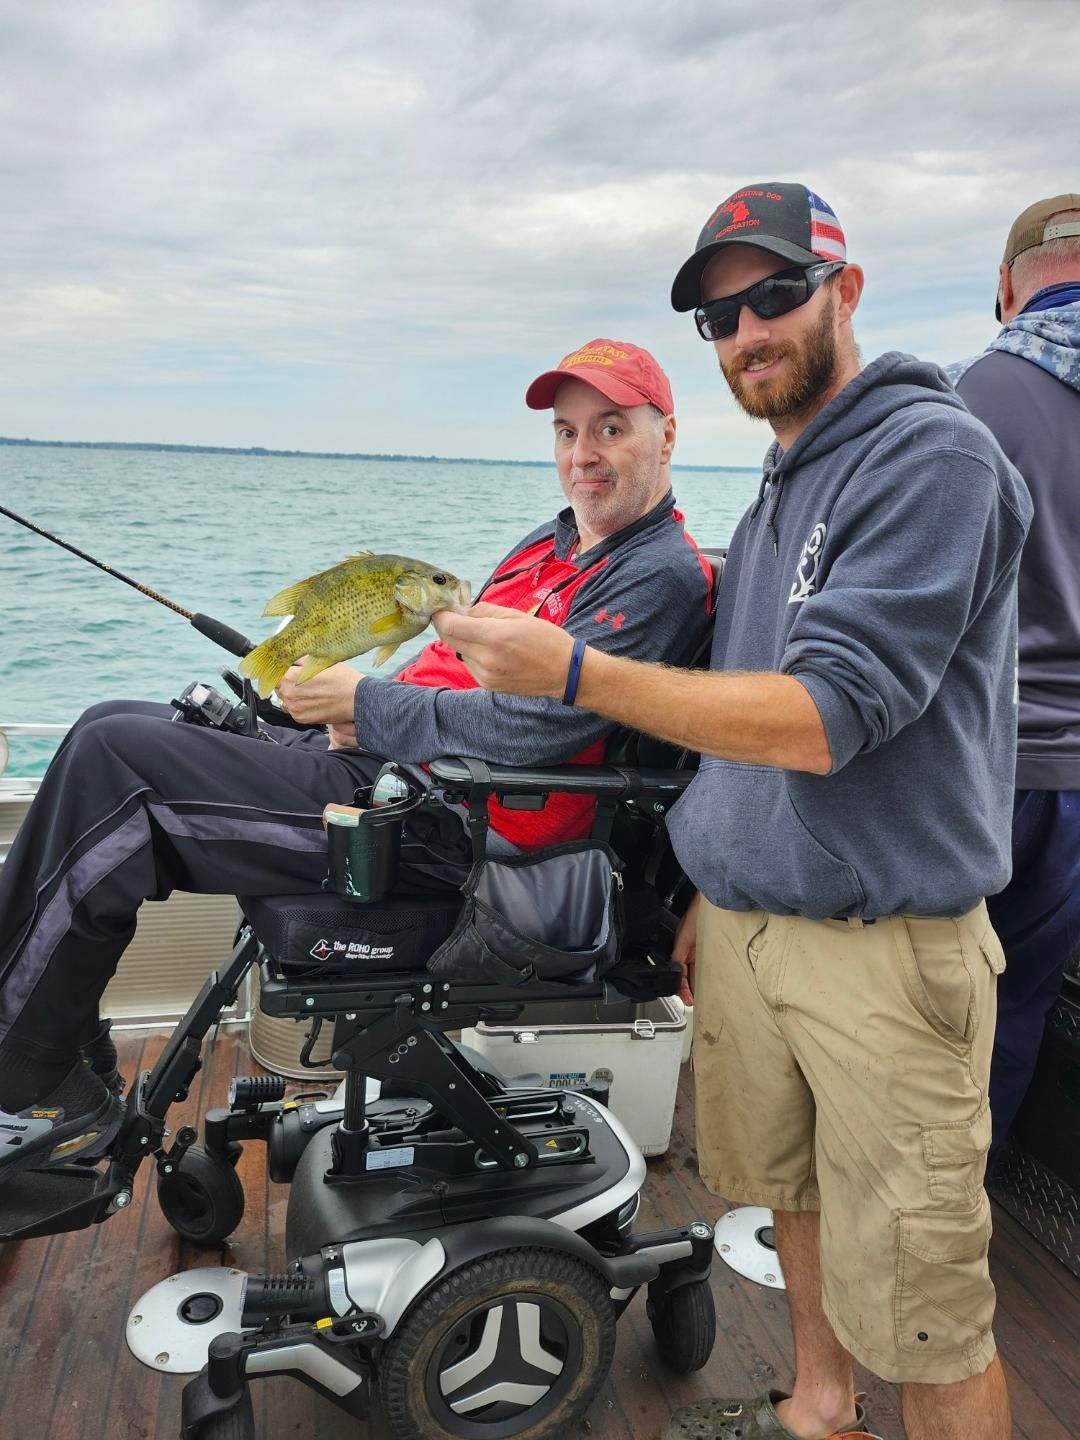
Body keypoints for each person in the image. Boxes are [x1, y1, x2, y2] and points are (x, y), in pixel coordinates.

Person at [434, 183, 1032, 1440]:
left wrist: (574, 673)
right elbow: (738, 725)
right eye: (719, 315)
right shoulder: (776, 491)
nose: (747, 330)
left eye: (774, 294)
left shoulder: (934, 457)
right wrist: (715, 879)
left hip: (885, 954)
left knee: (930, 1305)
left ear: (845, 292)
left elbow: (825, 715)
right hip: (759, 931)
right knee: (790, 1199)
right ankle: (819, 1409)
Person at [0, 337, 713, 1182]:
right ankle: (64, 1044)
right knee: (104, 725)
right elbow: (447, 674)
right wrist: (342, 718)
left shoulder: (659, 573)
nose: (581, 455)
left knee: (122, 771)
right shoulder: (548, 545)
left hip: (455, 834)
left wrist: (368, 706)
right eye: (566, 432)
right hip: (394, 774)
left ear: (666, 436)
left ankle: (29, 1080)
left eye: (610, 429)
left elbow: (538, 733)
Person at [946, 194, 1080, 1163]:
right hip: (1079, 789)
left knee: (922, 1008)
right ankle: (969, 1210)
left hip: (975, 770)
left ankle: (889, 1226)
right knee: (1018, 1003)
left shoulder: (967, 398)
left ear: (1005, 287)